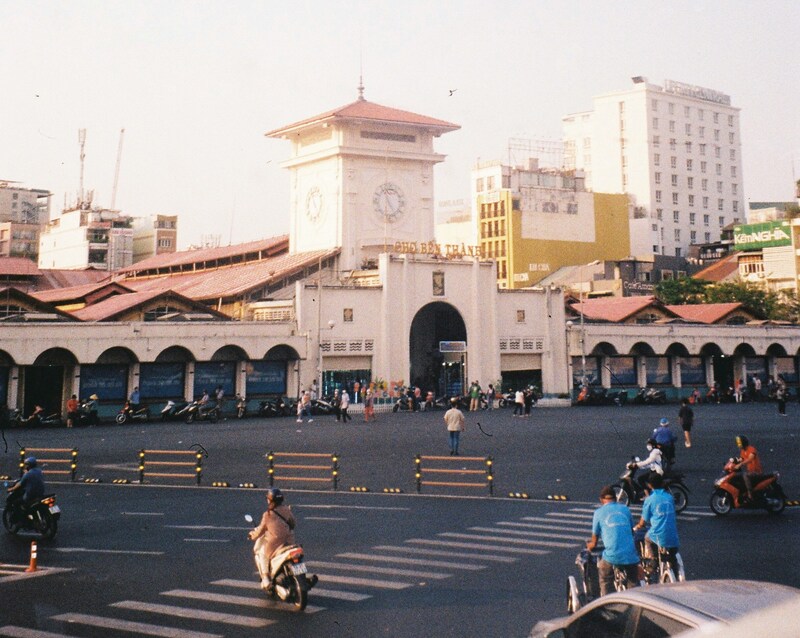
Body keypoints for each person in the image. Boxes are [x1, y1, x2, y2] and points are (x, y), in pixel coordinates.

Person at [586, 485, 641, 596]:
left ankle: (608, 604)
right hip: (630, 555)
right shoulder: (625, 509)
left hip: (612, 556)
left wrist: (589, 546)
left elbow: (594, 541)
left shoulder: (598, 513)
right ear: (616, 498)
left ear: (601, 499)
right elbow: (631, 531)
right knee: (633, 582)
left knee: (605, 578)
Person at [248, 488, 297, 591]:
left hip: (275, 544)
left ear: (270, 500)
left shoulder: (267, 515)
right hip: (290, 541)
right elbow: (293, 523)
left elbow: (260, 531)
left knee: (262, 554)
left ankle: (266, 579)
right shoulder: (286, 510)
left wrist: (252, 535)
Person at [633, 473, 681, 578]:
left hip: (657, 535)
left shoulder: (649, 500)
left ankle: (653, 560)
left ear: (649, 485)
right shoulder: (669, 498)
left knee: (647, 539)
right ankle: (675, 571)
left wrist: (637, 527)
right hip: (673, 537)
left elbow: (643, 522)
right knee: (671, 555)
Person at [6, 456, 46, 530]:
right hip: (40, 494)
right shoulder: (39, 471)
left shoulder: (28, 474)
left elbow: (20, 484)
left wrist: (11, 489)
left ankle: (21, 521)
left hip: (30, 496)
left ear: (28, 465)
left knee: (16, 503)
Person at [733, 435, 762, 503]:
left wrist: (741, 464)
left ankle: (750, 495)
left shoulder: (751, 449)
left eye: (740, 443)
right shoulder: (743, 451)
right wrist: (733, 462)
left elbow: (750, 459)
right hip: (750, 472)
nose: (739, 445)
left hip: (756, 472)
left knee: (745, 476)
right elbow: (741, 459)